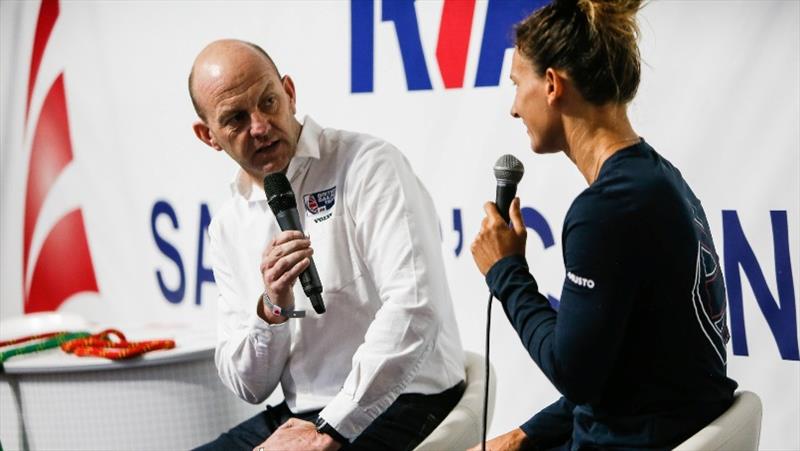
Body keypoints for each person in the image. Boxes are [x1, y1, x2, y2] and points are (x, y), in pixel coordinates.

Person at [469, 0, 738, 449]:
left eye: (517, 85)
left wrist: (506, 271)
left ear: (552, 84)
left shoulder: (607, 209)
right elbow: (621, 368)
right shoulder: (655, 178)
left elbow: (575, 375)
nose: (514, 109)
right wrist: (523, 435)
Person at [188, 39, 465, 451]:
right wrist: (272, 310)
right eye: (236, 119)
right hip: (305, 411)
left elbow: (414, 306)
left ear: (289, 92)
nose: (261, 126)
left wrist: (331, 429)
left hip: (405, 400)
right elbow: (248, 385)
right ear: (208, 136)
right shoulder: (228, 224)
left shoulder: (368, 165)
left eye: (268, 101)